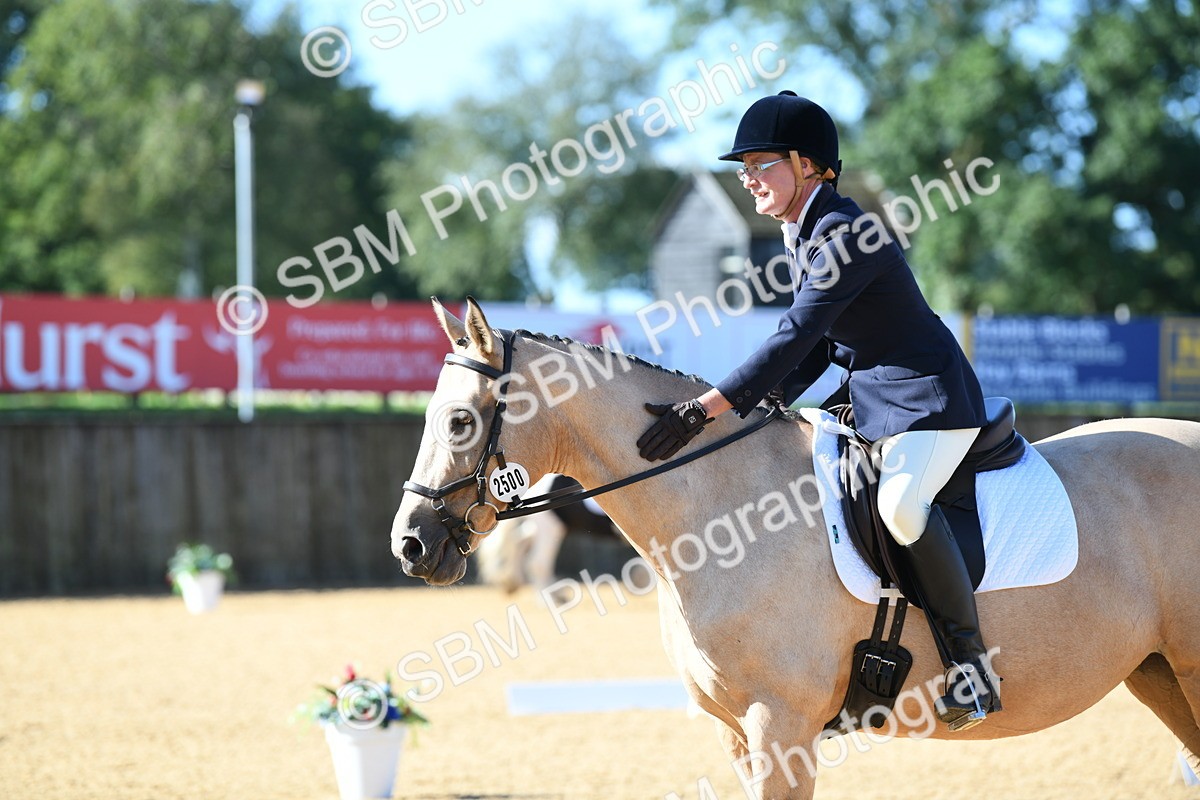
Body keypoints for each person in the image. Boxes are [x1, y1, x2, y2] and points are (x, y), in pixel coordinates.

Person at [635, 90, 1001, 731]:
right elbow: (823, 348)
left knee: (899, 506)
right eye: (742, 167)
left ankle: (971, 669)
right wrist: (762, 410)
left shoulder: (842, 235)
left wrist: (706, 410)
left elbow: (795, 338)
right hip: (873, 400)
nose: (748, 179)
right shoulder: (803, 235)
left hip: (927, 400)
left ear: (809, 165)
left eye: (761, 164)